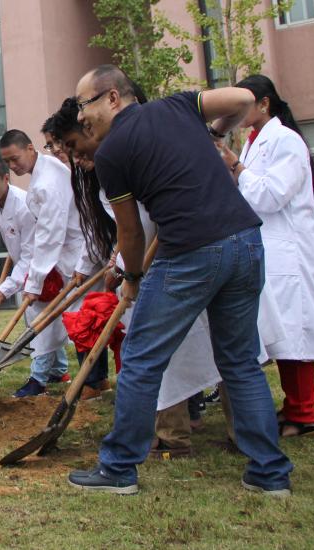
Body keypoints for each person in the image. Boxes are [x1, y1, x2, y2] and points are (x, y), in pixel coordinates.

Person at [66, 65, 292, 496]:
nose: (80, 117)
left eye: (83, 104)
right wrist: (216, 133)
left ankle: (118, 468)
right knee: (240, 362)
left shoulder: (110, 153)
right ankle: (269, 473)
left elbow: (131, 233)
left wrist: (132, 278)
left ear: (112, 98)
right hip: (245, 241)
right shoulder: (180, 105)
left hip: (190, 252)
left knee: (141, 359)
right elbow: (244, 99)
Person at [52, 99, 221, 460]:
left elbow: (147, 223)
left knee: (166, 350)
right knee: (166, 351)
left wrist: (133, 272)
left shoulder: (126, 155)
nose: (74, 158)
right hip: (158, 261)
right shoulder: (102, 170)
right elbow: (125, 228)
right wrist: (119, 261)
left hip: (179, 257)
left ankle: (172, 434)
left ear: (90, 128)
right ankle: (172, 429)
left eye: (74, 145)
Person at [216, 74, 314, 438]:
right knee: (281, 333)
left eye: (244, 105)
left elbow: (271, 195)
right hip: (267, 247)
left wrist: (236, 167)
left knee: (296, 331)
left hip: (288, 251)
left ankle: (305, 413)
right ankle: (293, 406)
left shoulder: (286, 141)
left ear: (264, 104)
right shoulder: (255, 142)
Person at [0, 129, 83, 398]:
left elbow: (49, 235)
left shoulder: (47, 181)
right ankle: (68, 374)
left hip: (72, 256)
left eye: (15, 158)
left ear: (30, 148)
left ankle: (87, 380)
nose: (12, 166)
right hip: (61, 257)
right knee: (69, 319)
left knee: (80, 319)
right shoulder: (43, 169)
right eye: (7, 162)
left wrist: (34, 282)